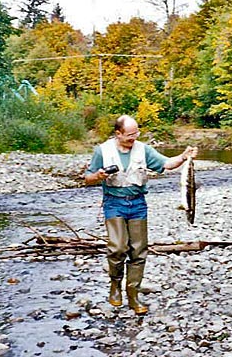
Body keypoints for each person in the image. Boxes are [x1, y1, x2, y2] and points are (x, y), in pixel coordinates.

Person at [84, 115, 197, 315]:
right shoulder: (102, 150)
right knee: (118, 247)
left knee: (138, 251)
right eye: (130, 134)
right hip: (114, 203)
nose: (134, 137)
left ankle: (133, 294)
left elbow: (167, 164)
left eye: (136, 133)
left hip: (138, 204)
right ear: (117, 133)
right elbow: (87, 178)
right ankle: (115, 285)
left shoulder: (143, 149)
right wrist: (98, 176)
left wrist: (183, 156)